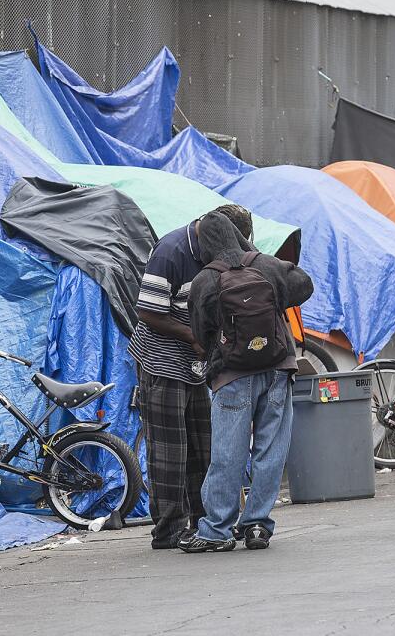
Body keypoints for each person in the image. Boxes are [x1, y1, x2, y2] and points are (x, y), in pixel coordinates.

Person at [177, 211, 313, 552]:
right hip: (278, 368)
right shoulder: (266, 265)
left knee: (227, 452)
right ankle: (256, 526)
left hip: (232, 375)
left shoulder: (205, 281)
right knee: (270, 449)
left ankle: (217, 530)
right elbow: (305, 285)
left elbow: (199, 331)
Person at [128, 203, 255, 549]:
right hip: (162, 360)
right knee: (171, 451)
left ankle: (206, 523)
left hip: (196, 363)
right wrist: (193, 337)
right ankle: (168, 530)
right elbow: (148, 312)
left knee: (204, 445)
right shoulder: (171, 251)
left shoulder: (216, 252)